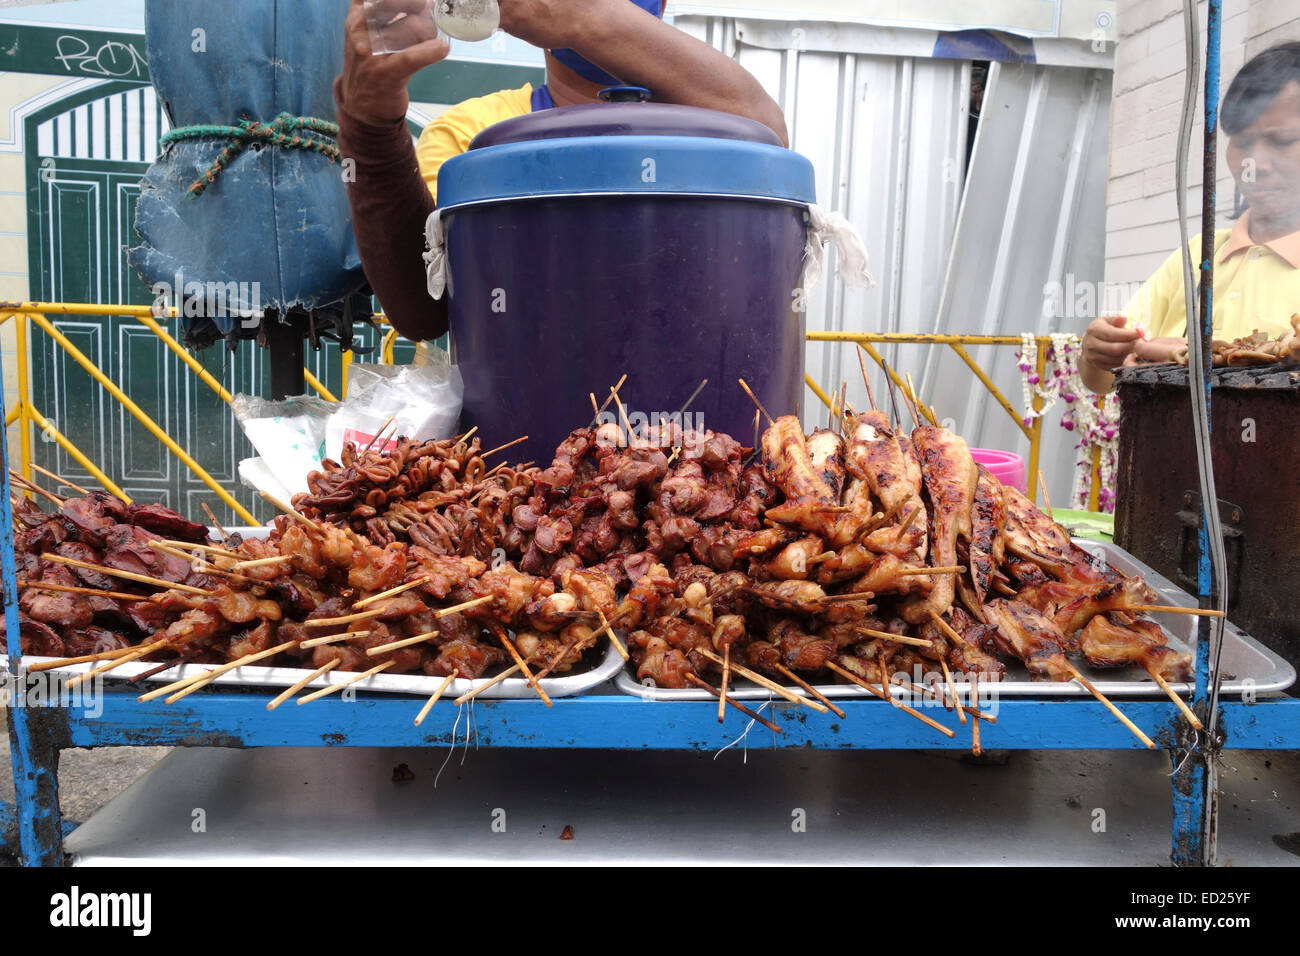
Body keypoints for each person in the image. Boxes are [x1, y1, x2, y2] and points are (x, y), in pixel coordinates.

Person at [333, 0, 788, 342]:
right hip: (524, 452)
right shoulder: (471, 135)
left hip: (696, 453)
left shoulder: (711, 132)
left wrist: (588, 20)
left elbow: (769, 135)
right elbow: (423, 311)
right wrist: (368, 124)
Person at [1079, 41, 1300, 394]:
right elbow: (1102, 382)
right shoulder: (1202, 252)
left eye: (1283, 140)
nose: (1254, 165)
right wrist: (1097, 354)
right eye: (1241, 142)